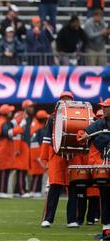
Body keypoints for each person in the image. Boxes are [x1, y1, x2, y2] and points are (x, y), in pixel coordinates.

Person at [40, 91, 81, 228]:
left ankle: (72, 219)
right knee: (54, 187)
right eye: (63, 99)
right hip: (57, 156)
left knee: (73, 187)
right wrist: (45, 159)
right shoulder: (52, 118)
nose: (65, 101)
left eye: (68, 99)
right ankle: (48, 218)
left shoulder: (78, 116)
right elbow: (46, 139)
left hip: (73, 157)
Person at [77, 98, 110, 240]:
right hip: (104, 167)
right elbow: (84, 132)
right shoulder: (101, 123)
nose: (104, 109)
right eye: (103, 107)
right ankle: (107, 230)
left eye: (106, 107)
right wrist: (82, 134)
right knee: (105, 197)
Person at [0, 104, 18, 198]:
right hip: (4, 147)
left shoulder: (0, 120)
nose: (11, 112)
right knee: (4, 170)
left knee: (3, 170)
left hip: (2, 147)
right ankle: (2, 192)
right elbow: (7, 133)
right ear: (6, 113)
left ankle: (1, 191)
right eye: (10, 111)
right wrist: (17, 129)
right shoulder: (3, 122)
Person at [12, 100, 35, 198]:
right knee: (21, 169)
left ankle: (18, 190)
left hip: (25, 144)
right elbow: (15, 129)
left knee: (24, 168)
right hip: (21, 144)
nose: (32, 108)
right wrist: (17, 147)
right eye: (30, 106)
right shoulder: (21, 116)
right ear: (25, 107)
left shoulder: (27, 118)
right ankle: (22, 191)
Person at [28, 110, 49, 197]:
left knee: (38, 172)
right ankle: (34, 190)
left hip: (35, 151)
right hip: (37, 152)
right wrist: (39, 157)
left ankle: (36, 190)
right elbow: (38, 143)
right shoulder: (40, 129)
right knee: (38, 173)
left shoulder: (35, 125)